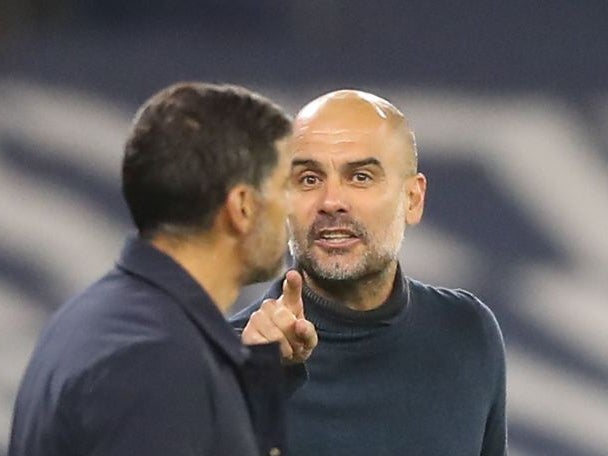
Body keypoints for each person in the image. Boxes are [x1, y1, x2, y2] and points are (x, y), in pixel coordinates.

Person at [9, 82, 317, 456]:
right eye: (286, 185)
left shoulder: (100, 317)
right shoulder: (157, 362)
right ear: (243, 208)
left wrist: (264, 376)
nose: (297, 208)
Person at [231, 89, 507, 455]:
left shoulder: (469, 333)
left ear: (413, 199)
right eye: (309, 179)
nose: (331, 202)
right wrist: (253, 389)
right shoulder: (223, 364)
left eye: (360, 177)